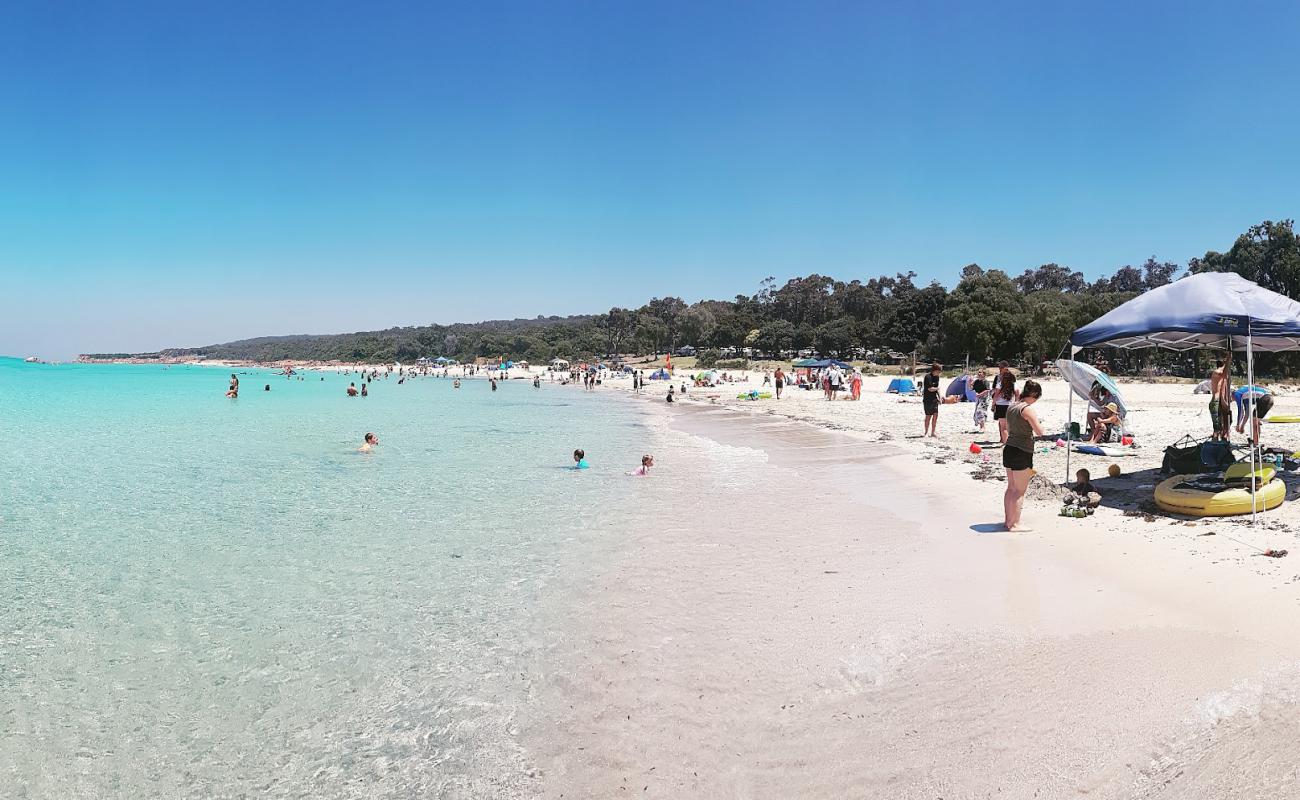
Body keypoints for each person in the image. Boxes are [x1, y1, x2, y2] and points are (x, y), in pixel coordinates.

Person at [1003, 379, 1046, 532]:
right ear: (1033, 395)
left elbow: (1007, 428)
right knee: (1019, 490)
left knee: (1011, 488)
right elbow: (1040, 431)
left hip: (1009, 448)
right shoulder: (1027, 409)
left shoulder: (1012, 406)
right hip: (1022, 449)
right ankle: (1014, 524)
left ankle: (1008, 520)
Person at [1209, 354, 1233, 441]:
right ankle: (1215, 441)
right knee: (1217, 428)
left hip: (1220, 402)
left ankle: (1223, 439)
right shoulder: (1216, 373)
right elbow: (1223, 373)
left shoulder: (1223, 379)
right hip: (1215, 402)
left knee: (1228, 421)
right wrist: (1228, 361)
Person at [992, 362, 1018, 444]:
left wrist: (993, 404)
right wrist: (1016, 403)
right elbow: (1017, 394)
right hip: (1010, 406)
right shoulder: (1013, 384)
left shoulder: (1000, 384)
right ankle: (1008, 442)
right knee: (1008, 426)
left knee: (1003, 427)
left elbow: (996, 395)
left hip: (1000, 406)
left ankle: (1005, 442)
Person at [922, 362, 941, 437]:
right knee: (928, 416)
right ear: (934, 370)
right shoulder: (927, 377)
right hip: (927, 399)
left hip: (934, 399)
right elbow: (930, 389)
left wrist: (939, 397)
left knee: (935, 415)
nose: (939, 373)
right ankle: (926, 432)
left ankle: (933, 432)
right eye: (938, 371)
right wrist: (936, 388)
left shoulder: (937, 377)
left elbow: (937, 389)